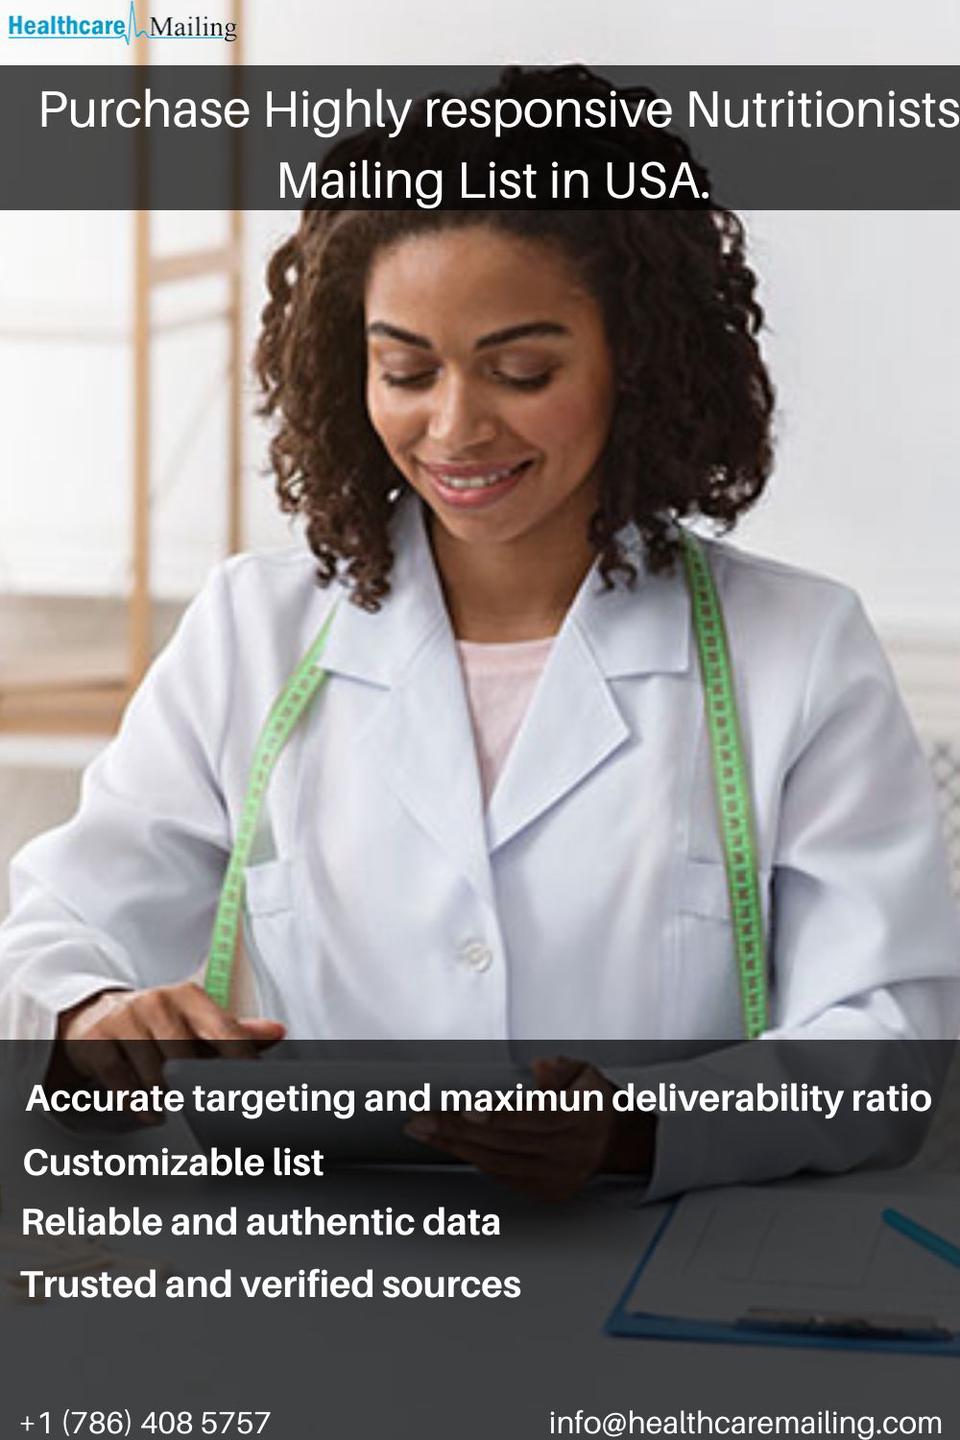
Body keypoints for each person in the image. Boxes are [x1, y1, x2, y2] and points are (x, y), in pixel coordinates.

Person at [1, 68, 957, 1198]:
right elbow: (60, 930)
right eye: (405, 370)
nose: (454, 427)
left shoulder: (795, 648)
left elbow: (890, 1037)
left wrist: (640, 1126)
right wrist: (92, 1015)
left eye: (521, 371)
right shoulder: (252, 632)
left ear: (639, 361)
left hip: (652, 1263)